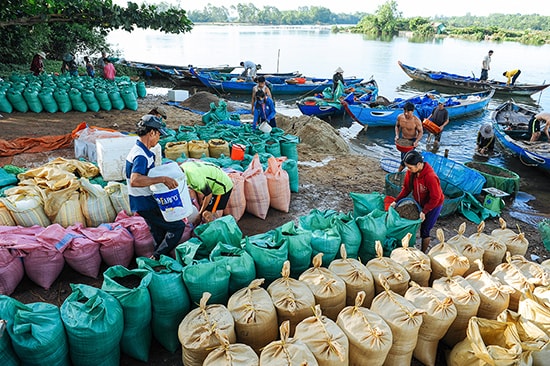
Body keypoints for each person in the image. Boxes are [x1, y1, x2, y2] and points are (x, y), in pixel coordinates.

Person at [126, 115, 185, 260]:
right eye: (158, 134)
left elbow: (148, 173)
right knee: (178, 227)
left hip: (141, 201)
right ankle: (157, 257)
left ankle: (160, 259)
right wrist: (163, 179)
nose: (158, 138)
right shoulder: (140, 155)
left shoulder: (142, 151)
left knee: (158, 232)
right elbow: (135, 180)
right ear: (151, 133)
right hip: (145, 202)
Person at [392, 150, 444, 253]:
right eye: (407, 167)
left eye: (410, 167)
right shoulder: (411, 172)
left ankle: (423, 252)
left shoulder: (430, 176)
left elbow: (436, 197)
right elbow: (407, 189)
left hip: (434, 205)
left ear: (419, 164)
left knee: (425, 230)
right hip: (420, 202)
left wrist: (425, 211)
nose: (409, 170)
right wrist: (396, 201)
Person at [179, 160, 234, 224]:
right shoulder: (183, 167)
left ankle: (212, 231)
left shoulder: (195, 178)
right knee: (209, 209)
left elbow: (209, 195)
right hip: (215, 181)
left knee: (207, 213)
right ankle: (217, 225)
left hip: (222, 187)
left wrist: (200, 213)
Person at [395, 102, 423, 171]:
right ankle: (409, 169)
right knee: (403, 157)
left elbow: (421, 132)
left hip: (412, 141)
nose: (406, 113)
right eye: (405, 111)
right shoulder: (400, 117)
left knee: (406, 158)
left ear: (413, 111)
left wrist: (416, 141)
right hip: (403, 140)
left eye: (408, 112)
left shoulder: (416, 121)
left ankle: (398, 172)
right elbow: (397, 126)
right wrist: (397, 135)